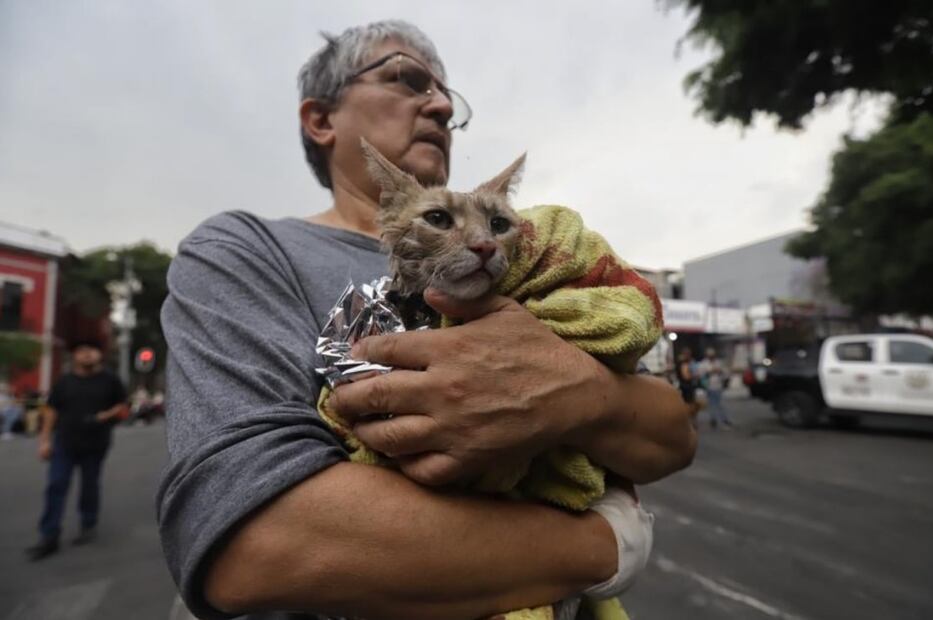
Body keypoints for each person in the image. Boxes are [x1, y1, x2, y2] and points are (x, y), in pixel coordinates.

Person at [157, 20, 696, 619]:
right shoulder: (246, 249)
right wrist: (608, 545)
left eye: (446, 97)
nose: (439, 105)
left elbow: (672, 436)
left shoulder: (519, 254)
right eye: (405, 79)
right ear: (321, 120)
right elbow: (252, 544)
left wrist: (578, 394)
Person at [25, 341, 127, 560]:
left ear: (99, 355)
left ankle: (88, 524)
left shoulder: (110, 380)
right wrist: (44, 441)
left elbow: (122, 406)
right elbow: (51, 411)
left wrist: (104, 416)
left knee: (89, 486)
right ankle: (49, 535)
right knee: (56, 485)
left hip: (95, 443)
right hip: (64, 442)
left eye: (92, 350)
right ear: (75, 357)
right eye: (82, 351)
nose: (87, 354)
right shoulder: (64, 381)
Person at [698, 348, 733, 430]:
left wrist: (719, 372)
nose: (711, 357)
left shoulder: (718, 363)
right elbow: (701, 375)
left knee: (719, 404)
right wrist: (709, 372)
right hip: (709, 386)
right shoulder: (704, 364)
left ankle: (724, 419)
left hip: (718, 385)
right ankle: (713, 419)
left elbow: (726, 373)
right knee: (711, 404)